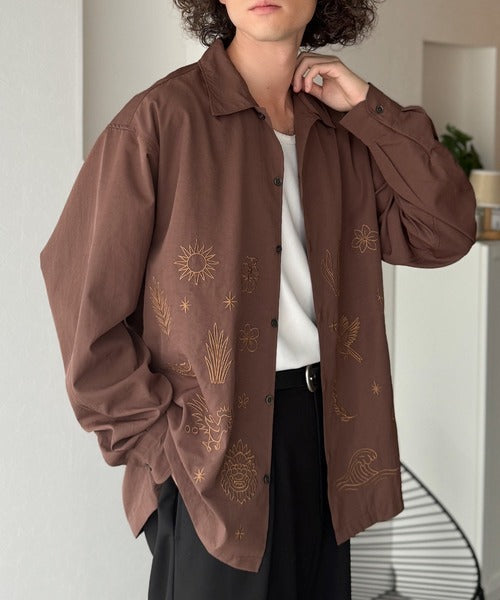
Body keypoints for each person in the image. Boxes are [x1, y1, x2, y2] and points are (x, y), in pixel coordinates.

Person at [39, 0, 477, 598]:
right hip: (210, 456)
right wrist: (164, 452)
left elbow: (446, 230)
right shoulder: (160, 121)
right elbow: (83, 307)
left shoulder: (343, 133)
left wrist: (367, 106)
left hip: (327, 438)